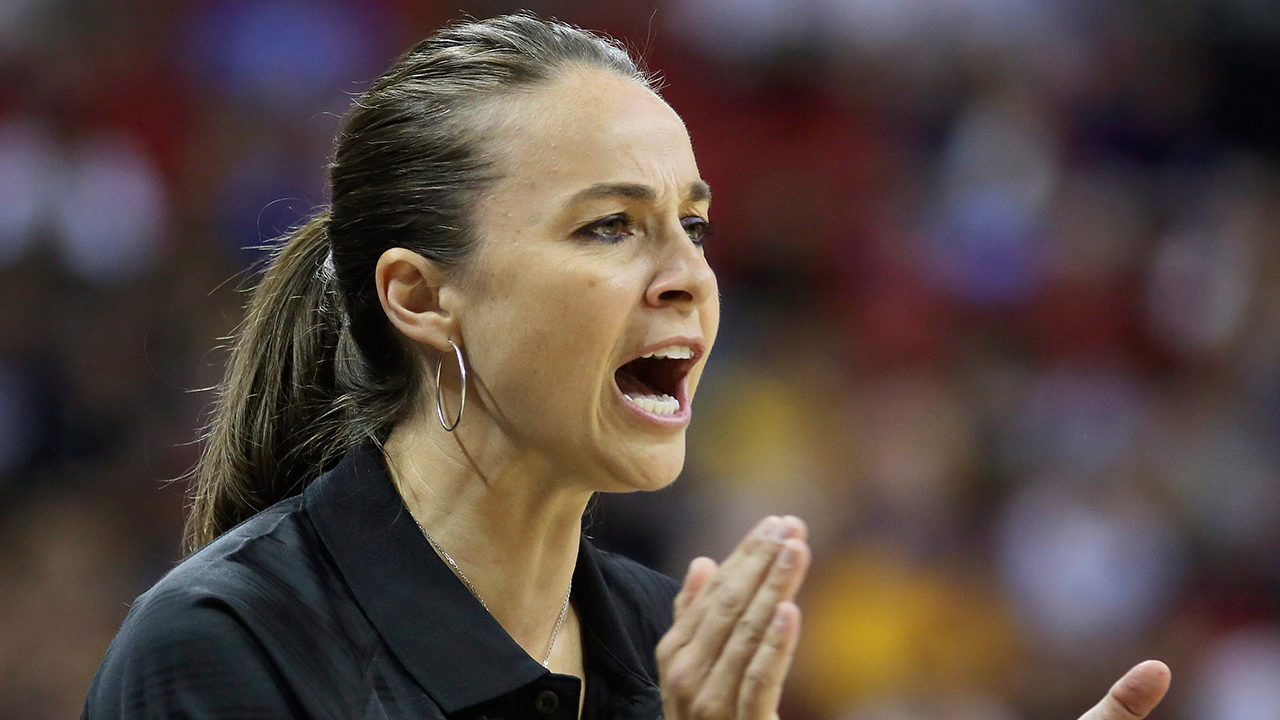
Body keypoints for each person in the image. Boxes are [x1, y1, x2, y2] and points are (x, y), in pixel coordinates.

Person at [81, 13, 1171, 720]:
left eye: (692, 226)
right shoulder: (225, 652)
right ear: (420, 295)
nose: (688, 277)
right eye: (608, 228)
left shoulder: (670, 641)